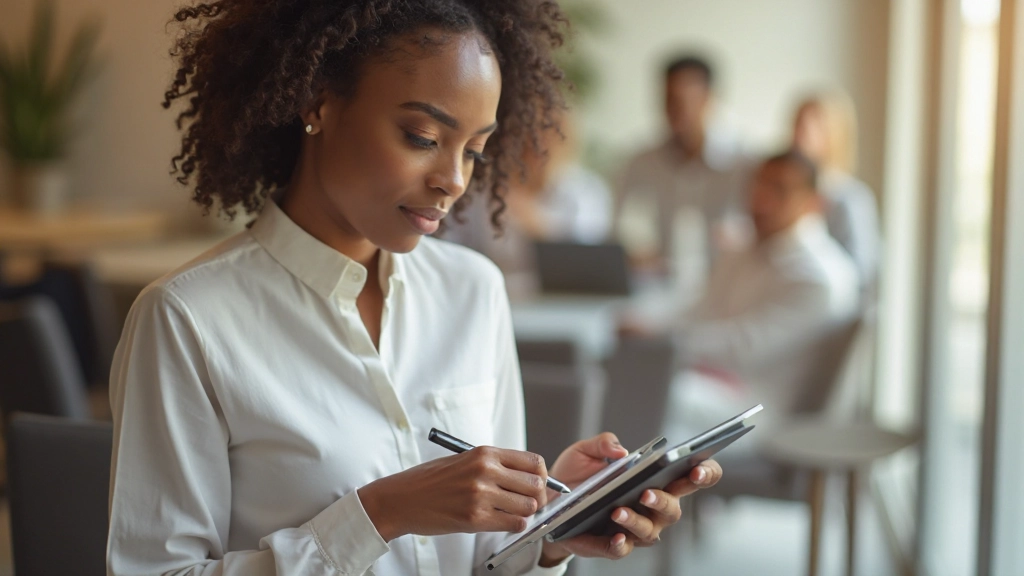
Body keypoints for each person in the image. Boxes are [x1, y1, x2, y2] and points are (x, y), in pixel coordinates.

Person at [106, 2, 724, 575]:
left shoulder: (473, 292)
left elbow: (484, 558)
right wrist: (380, 514)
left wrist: (545, 530)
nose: (453, 181)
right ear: (317, 102)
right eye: (424, 138)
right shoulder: (187, 318)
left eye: (475, 152)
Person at [669, 150, 859, 434]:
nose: (761, 199)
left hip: (759, 410)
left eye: (778, 190)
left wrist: (664, 342)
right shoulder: (743, 248)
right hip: (710, 382)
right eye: (757, 185)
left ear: (813, 203)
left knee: (654, 393)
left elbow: (745, 348)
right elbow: (700, 308)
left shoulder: (821, 278)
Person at [445, 110, 612, 296]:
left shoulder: (586, 191)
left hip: (565, 299)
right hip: (494, 294)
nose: (538, 145)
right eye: (527, 137)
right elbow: (454, 250)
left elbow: (590, 264)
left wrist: (537, 224)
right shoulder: (482, 192)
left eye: (547, 135)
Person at [614, 54, 752, 279]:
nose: (676, 112)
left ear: (709, 99)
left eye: (685, 101)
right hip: (656, 287)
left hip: (727, 289)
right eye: (669, 101)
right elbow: (622, 231)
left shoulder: (745, 165)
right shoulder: (639, 164)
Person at [791, 90, 881, 296]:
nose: (803, 131)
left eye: (816, 123)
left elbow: (861, 270)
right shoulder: (785, 191)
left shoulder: (851, 198)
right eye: (799, 122)